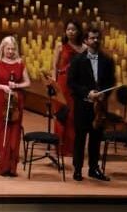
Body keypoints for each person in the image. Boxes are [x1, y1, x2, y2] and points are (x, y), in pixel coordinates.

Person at [67, 27, 116, 182]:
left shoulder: (107, 61)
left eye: (97, 38)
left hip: (99, 107)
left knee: (96, 139)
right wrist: (88, 93)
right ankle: (77, 169)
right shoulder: (77, 60)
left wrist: (103, 94)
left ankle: (94, 169)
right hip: (83, 105)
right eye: (92, 38)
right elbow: (71, 83)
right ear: (86, 41)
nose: (95, 41)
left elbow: (111, 82)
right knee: (80, 139)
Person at [0, 35, 30, 177]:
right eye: (8, 49)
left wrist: (17, 85)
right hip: (0, 99)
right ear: (2, 48)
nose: (10, 52)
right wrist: (3, 87)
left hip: (16, 100)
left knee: (15, 134)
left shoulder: (20, 62)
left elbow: (27, 83)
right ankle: (4, 166)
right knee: (2, 133)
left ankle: (12, 167)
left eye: (12, 49)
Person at [51, 18, 85, 158]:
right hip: (62, 84)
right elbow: (54, 66)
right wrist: (54, 83)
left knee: (73, 115)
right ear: (65, 31)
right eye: (68, 29)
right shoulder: (60, 46)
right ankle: (59, 147)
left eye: (73, 29)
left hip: (76, 85)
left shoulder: (84, 48)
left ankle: (72, 148)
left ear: (78, 31)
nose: (70, 32)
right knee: (61, 114)